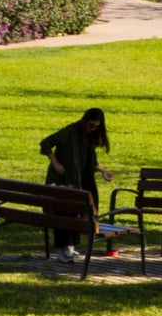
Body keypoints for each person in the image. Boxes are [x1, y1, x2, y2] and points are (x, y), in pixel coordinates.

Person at [39, 108, 115, 262]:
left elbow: (90, 161)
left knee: (77, 212)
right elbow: (45, 143)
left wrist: (102, 171)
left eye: (96, 127)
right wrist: (56, 163)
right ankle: (65, 249)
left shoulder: (88, 137)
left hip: (77, 182)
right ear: (85, 120)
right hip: (62, 181)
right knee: (65, 213)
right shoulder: (70, 131)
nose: (92, 129)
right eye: (91, 125)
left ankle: (70, 248)